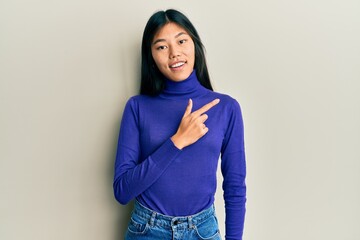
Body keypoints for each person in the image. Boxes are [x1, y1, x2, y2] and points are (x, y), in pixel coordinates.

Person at [113, 9, 246, 240]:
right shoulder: (137, 107)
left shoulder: (226, 108)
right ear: (151, 57)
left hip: (202, 231)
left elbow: (235, 187)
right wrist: (177, 141)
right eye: (162, 46)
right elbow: (123, 191)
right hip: (147, 230)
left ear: (194, 45)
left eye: (182, 41)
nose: (174, 53)